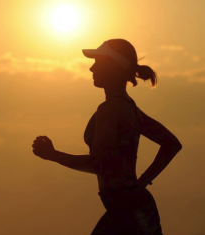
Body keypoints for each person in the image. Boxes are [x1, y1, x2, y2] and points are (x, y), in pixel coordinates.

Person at [32, 39, 182, 234]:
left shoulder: (111, 109)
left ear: (113, 67)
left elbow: (99, 164)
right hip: (130, 209)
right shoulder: (129, 107)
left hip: (128, 212)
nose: (91, 69)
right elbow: (172, 144)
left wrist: (53, 155)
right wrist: (142, 182)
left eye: (98, 62)